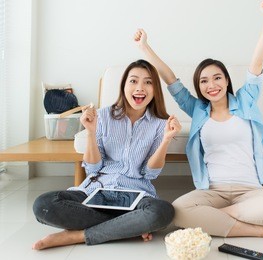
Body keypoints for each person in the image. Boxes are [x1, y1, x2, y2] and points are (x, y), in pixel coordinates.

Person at [135, 0, 263, 243]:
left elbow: (256, 65)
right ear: (199, 87)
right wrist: (145, 48)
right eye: (204, 81)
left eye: (217, 78)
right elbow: (171, 80)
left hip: (250, 191)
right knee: (179, 210)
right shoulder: (198, 110)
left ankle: (217, 219)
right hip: (213, 192)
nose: (211, 85)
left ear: (226, 81)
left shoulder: (245, 101)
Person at [32, 59, 182, 250]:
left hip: (136, 194)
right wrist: (91, 133)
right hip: (94, 191)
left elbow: (149, 173)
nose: (140, 88)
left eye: (148, 82)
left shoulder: (160, 124)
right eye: (134, 81)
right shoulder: (102, 116)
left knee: (161, 212)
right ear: (124, 86)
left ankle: (77, 235)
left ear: (155, 90)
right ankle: (127, 225)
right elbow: (93, 168)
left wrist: (166, 140)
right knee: (43, 205)